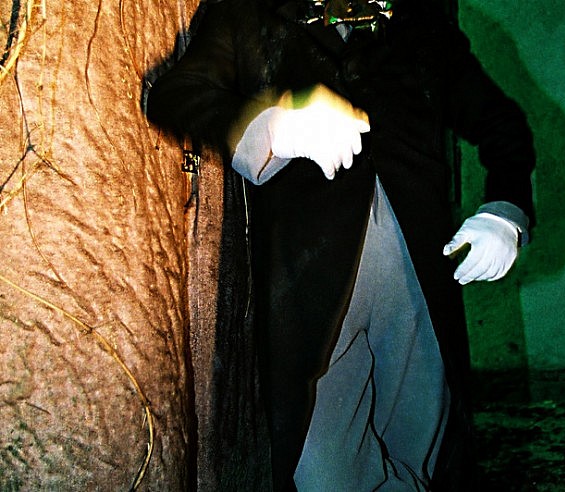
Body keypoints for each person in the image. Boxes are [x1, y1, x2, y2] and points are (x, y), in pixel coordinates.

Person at [146, 0, 536, 490]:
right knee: (323, 471)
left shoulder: (421, 23)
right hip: (307, 293)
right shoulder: (248, 13)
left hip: (418, 279)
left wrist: (505, 212)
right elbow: (175, 93)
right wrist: (269, 126)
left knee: (425, 462)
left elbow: (502, 124)